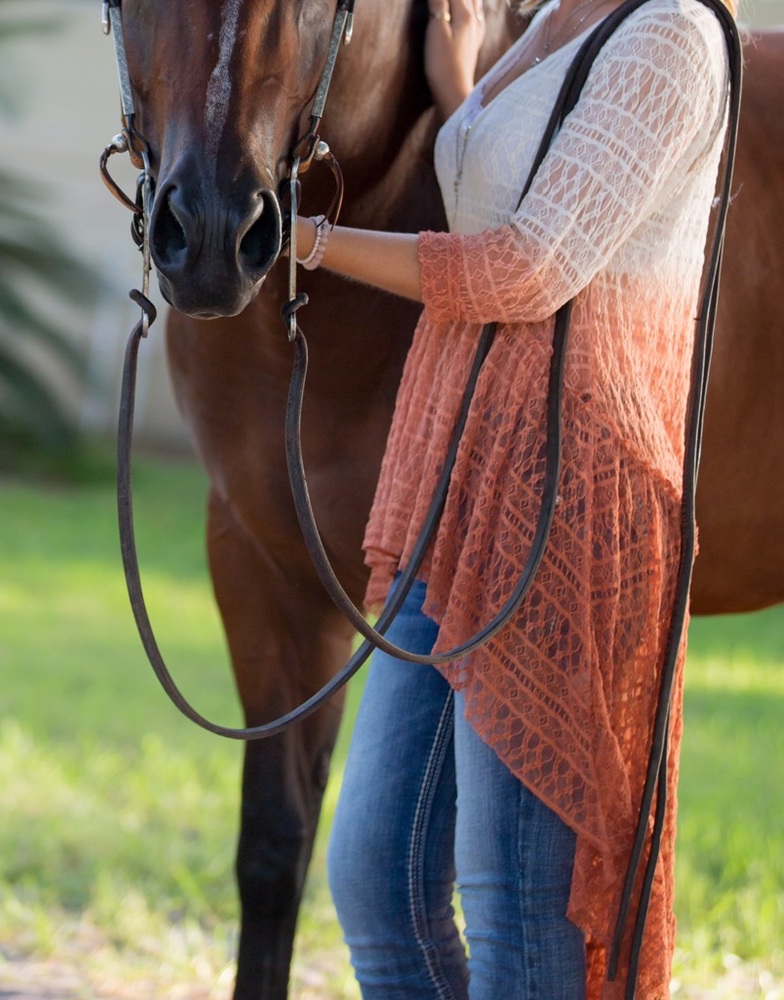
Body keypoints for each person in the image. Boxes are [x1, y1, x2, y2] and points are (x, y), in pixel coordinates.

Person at [290, 0, 734, 996]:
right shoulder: (548, 21)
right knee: (377, 880)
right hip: (454, 496)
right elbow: (513, 185)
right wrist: (463, 100)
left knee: (517, 916)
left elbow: (527, 267)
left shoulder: (672, 36)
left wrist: (306, 243)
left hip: (561, 512)